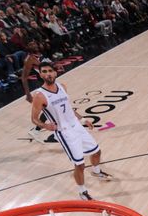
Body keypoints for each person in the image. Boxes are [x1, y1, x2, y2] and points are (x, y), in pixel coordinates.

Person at [29, 59, 113, 200]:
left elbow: (68, 109)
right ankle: (82, 192)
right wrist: (45, 125)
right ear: (41, 75)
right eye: (44, 72)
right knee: (79, 164)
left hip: (77, 126)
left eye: (50, 71)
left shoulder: (62, 86)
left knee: (96, 151)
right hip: (64, 132)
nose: (48, 74)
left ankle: (96, 171)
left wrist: (82, 119)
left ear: (55, 72)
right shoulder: (39, 95)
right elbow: (34, 119)